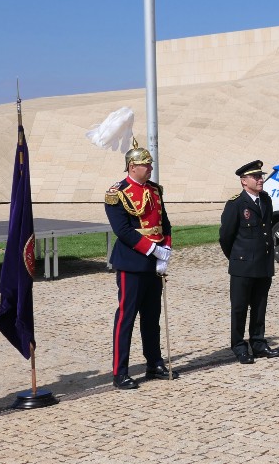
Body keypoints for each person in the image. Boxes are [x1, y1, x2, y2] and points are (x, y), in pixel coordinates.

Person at [104, 138, 175, 389]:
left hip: (154, 262)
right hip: (132, 262)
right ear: (132, 167)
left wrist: (166, 249)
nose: (150, 168)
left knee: (152, 316)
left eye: (150, 164)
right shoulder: (117, 193)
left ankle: (154, 362)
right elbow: (123, 230)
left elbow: (164, 222)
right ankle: (120, 372)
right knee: (126, 318)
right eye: (146, 164)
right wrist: (152, 249)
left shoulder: (155, 190)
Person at [219, 160, 279, 363]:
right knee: (239, 308)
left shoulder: (266, 200)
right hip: (243, 265)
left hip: (263, 263)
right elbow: (226, 237)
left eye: (261, 176)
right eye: (256, 177)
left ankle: (258, 343)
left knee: (260, 306)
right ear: (244, 181)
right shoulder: (236, 204)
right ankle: (239, 346)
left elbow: (266, 229)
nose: (260, 179)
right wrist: (237, 258)